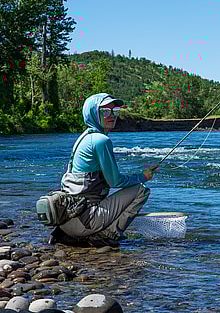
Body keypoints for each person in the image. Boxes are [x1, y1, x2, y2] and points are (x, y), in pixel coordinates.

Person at [48, 93, 158, 247]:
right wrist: (143, 176)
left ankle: (84, 234)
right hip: (83, 223)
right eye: (105, 112)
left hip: (66, 221)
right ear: (93, 113)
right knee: (141, 190)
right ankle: (107, 235)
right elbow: (115, 181)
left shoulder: (84, 137)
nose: (112, 116)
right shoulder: (101, 140)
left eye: (115, 111)